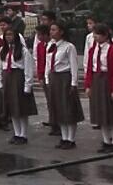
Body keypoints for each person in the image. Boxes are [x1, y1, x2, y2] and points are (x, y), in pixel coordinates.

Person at [84, 24, 113, 153]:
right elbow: (89, 68)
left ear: (105, 35)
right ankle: (106, 141)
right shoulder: (92, 50)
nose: (95, 37)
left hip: (107, 80)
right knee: (101, 113)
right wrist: (88, 85)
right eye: (94, 34)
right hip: (97, 80)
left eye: (97, 34)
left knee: (112, 113)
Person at [44, 22, 82, 150]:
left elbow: (74, 66)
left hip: (65, 78)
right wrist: (47, 79)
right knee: (58, 109)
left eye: (54, 30)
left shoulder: (68, 47)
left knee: (68, 109)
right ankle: (64, 137)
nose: (51, 32)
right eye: (51, 30)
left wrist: (73, 83)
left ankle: (71, 139)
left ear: (61, 32)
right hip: (54, 78)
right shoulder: (50, 46)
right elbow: (48, 64)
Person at [0, 21, 36, 145]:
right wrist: (0, 82)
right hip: (7, 78)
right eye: (6, 35)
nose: (8, 37)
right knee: (12, 108)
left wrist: (27, 86)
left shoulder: (23, 51)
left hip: (18, 79)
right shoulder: (3, 50)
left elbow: (28, 69)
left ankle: (23, 134)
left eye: (11, 35)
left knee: (21, 109)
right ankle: (16, 133)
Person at [33, 11, 58, 136]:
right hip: (44, 75)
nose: (38, 37)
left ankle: (58, 123)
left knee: (56, 100)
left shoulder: (53, 45)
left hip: (53, 75)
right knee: (49, 100)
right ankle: (53, 121)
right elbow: (39, 61)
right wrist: (40, 75)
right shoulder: (40, 46)